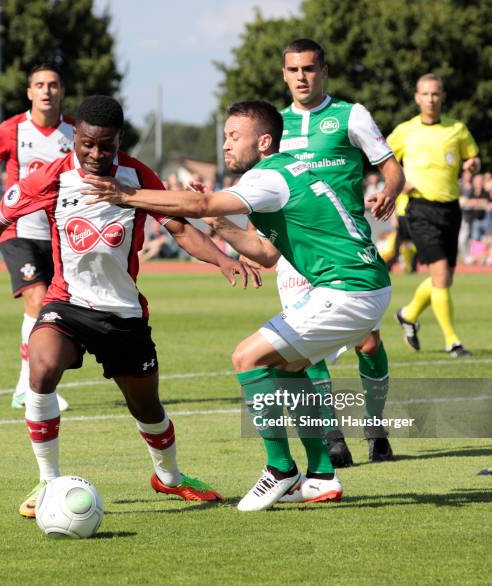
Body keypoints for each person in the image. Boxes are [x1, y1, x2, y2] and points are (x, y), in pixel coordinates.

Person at [0, 95, 257, 517]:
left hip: (123, 314)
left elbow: (179, 229)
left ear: (119, 141)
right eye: (88, 144)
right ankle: (47, 480)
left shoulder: (137, 176)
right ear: (75, 136)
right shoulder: (51, 177)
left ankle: (169, 477)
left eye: (106, 146)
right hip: (67, 304)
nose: (96, 154)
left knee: (147, 408)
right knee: (41, 367)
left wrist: (222, 258)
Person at [81, 100, 393, 511]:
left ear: (264, 142)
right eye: (225, 136)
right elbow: (264, 253)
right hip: (361, 287)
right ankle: (320, 477)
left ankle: (280, 469)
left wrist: (129, 195)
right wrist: (219, 224)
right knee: (289, 367)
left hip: (348, 289)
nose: (225, 145)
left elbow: (200, 205)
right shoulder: (285, 171)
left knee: (247, 358)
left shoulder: (268, 176)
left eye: (234, 137)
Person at [246, 38, 405, 465]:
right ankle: (331, 433)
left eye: (310, 69)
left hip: (347, 249)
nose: (302, 77)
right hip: (296, 254)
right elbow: (261, 190)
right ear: (284, 74)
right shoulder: (273, 127)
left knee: (369, 343)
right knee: (303, 345)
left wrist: (389, 191)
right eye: (294, 70)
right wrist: (250, 240)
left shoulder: (350, 116)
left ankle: (375, 426)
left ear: (324, 71)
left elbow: (391, 168)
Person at [0, 63, 76, 411]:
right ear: (29, 92)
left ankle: (24, 383)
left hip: (58, 234)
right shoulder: (11, 130)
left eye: (53, 85)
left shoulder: (74, 132)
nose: (46, 91)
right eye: (39, 85)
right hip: (18, 230)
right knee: (38, 301)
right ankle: (30, 386)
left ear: (61, 91)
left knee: (54, 311)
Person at [389, 74, 480, 357]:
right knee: (440, 274)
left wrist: (472, 166)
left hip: (450, 208)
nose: (430, 99)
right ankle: (452, 341)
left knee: (445, 278)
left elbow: (471, 157)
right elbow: (384, 161)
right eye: (425, 94)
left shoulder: (458, 129)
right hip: (418, 208)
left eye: (435, 94)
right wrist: (400, 182)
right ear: (417, 97)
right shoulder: (404, 131)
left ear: (443, 96)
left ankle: (408, 314)